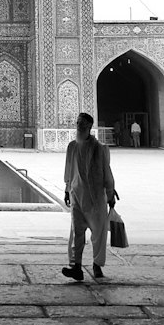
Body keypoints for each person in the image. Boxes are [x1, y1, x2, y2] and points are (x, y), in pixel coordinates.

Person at [61, 112, 117, 281]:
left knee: (98, 233)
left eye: (83, 124)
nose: (79, 126)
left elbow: (107, 172)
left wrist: (110, 193)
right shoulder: (72, 147)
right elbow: (68, 170)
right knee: (76, 232)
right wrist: (66, 189)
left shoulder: (100, 148)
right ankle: (76, 266)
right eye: (78, 123)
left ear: (89, 127)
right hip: (77, 195)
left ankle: (97, 264)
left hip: (95, 198)